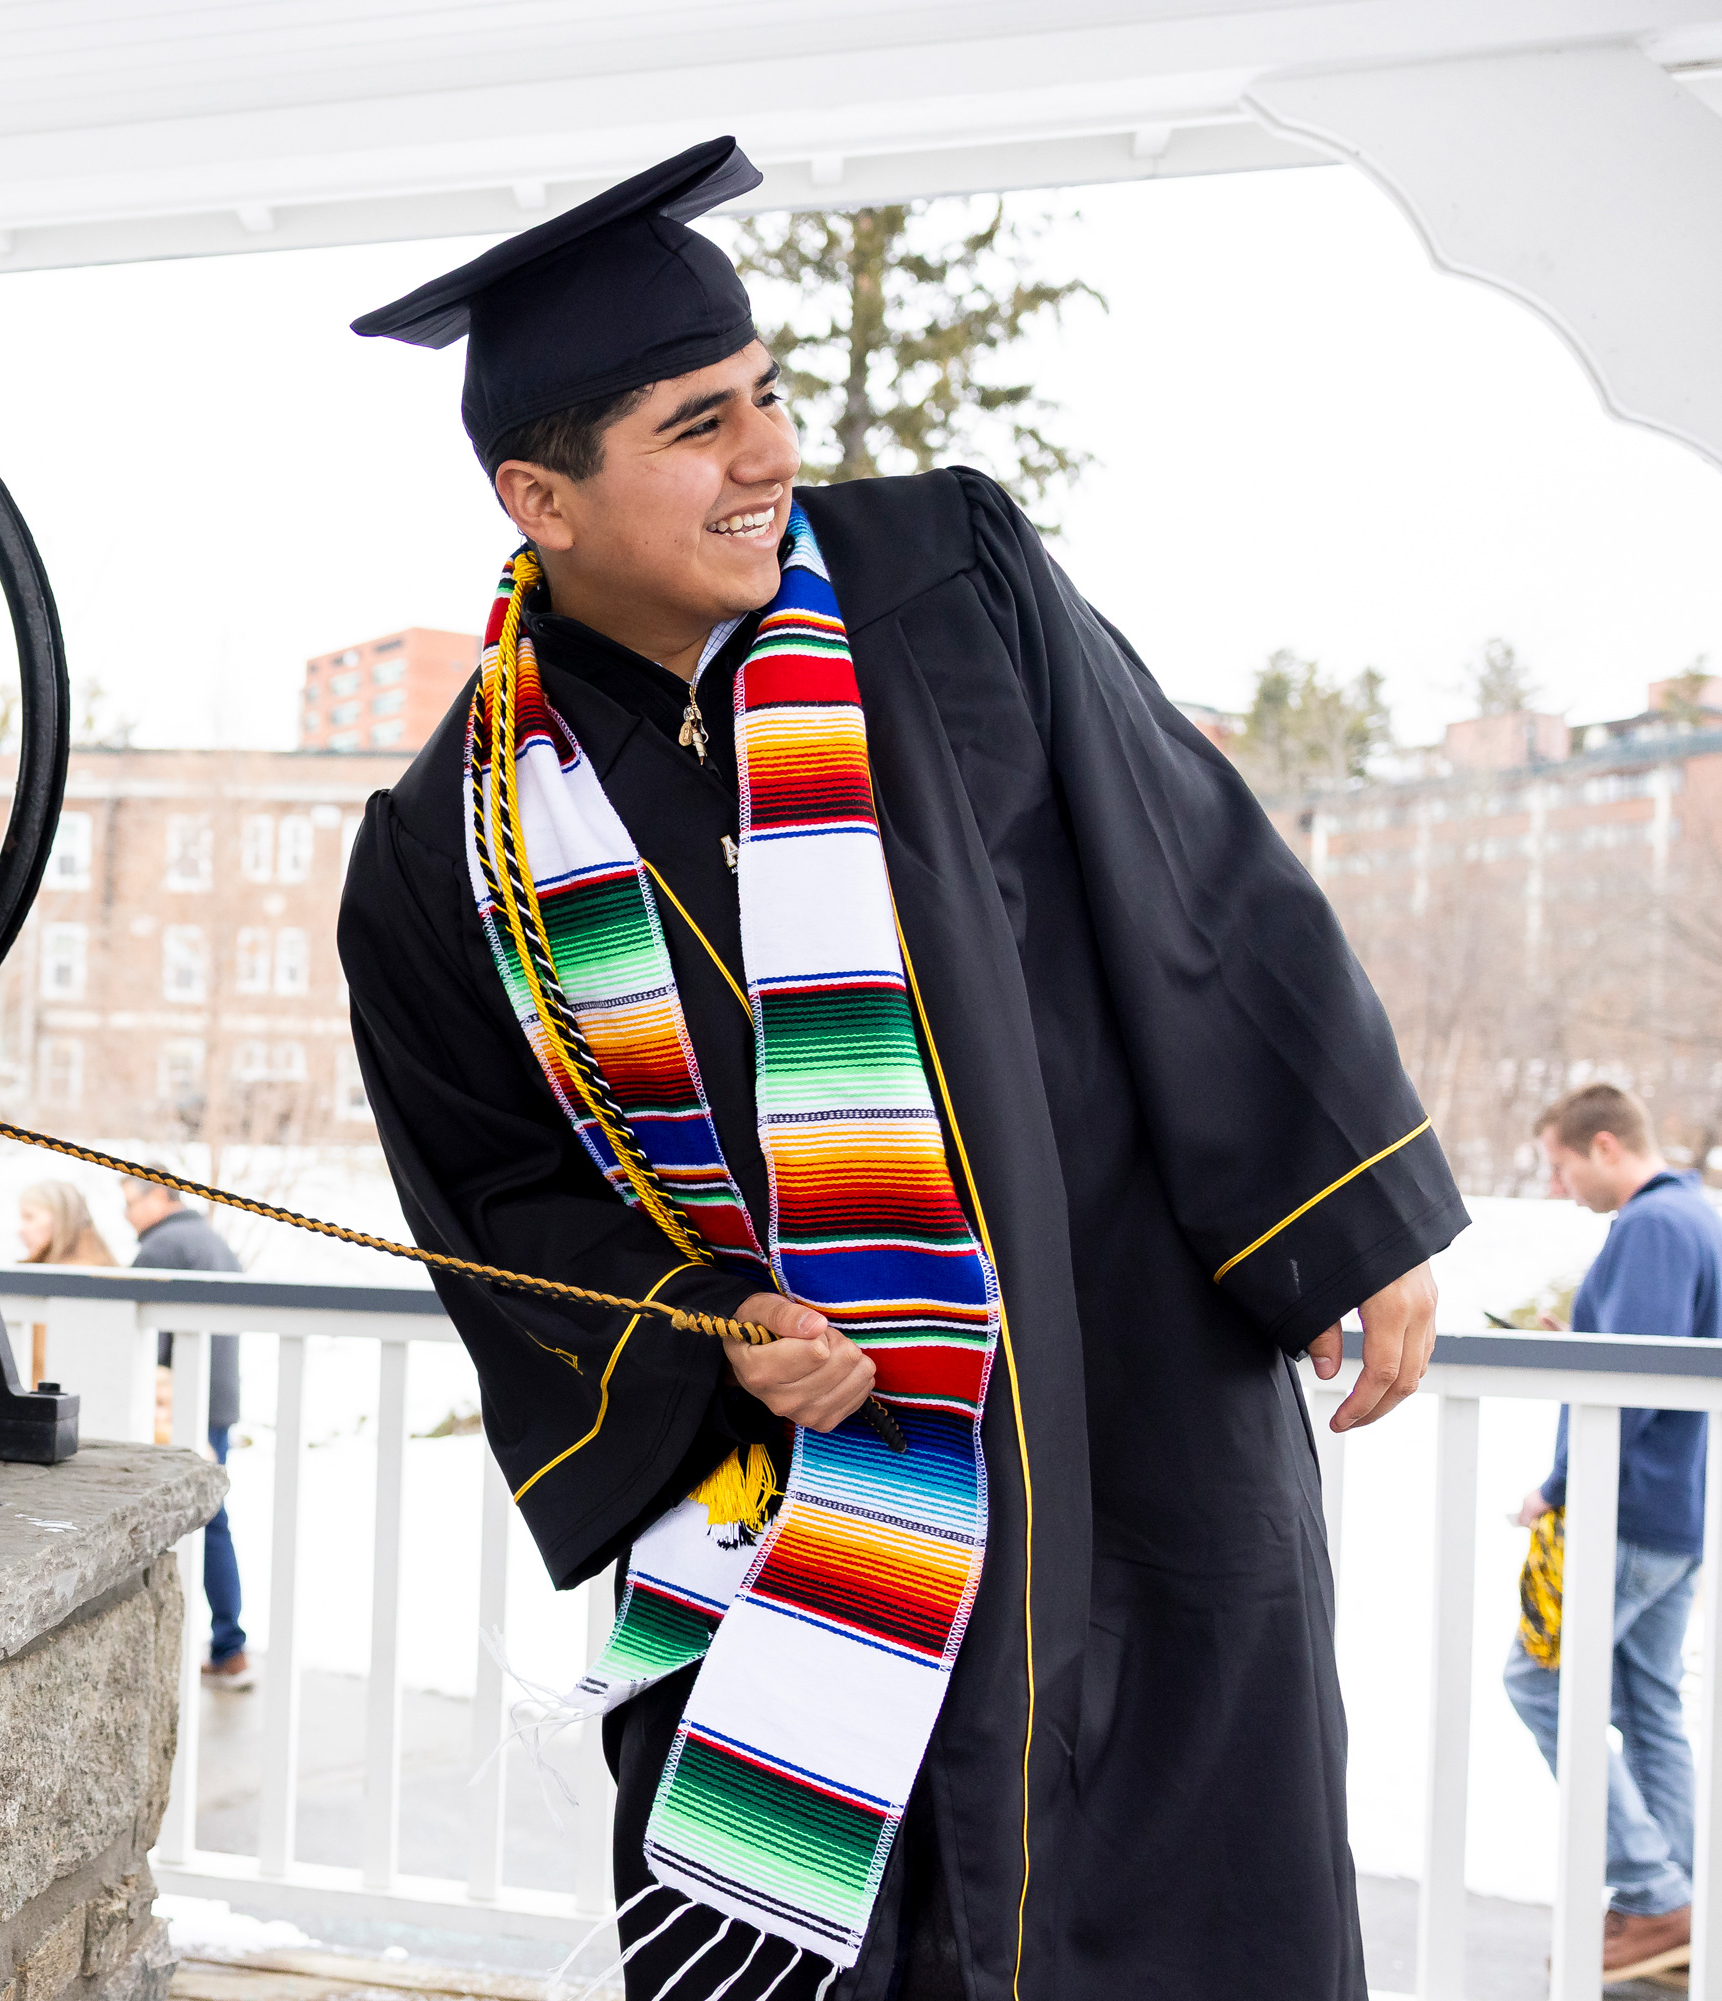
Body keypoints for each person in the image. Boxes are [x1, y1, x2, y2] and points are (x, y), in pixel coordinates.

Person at [335, 136, 1458, 1999]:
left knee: (1181, 1889)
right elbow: (497, 1192)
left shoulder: (942, 579)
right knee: (826, 1936)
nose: (769, 450)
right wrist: (702, 1322)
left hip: (1116, 1398)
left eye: (768, 393)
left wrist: (1348, 1205)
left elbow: (1185, 866)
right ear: (542, 497)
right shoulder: (458, 841)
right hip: (797, 1492)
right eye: (699, 423)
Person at [1505, 1084, 1722, 1986]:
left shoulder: (1653, 1225)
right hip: (1670, 1510)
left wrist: (1558, 1487)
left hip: (1625, 1511)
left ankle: (1652, 1893)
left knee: (1537, 1679)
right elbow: (1645, 1349)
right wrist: (1582, 1333)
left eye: (1560, 1166)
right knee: (1649, 1704)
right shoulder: (1695, 1216)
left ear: (1604, 1145)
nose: (1560, 1188)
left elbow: (1626, 1383)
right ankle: (1680, 1914)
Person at [124, 1176, 252, 1689]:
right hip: (218, 1401)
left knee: (153, 1519)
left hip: (173, 1405)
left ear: (160, 1195)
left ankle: (169, 1648)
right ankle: (229, 1644)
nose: (127, 1215)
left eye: (130, 1202)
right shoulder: (215, 1242)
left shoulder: (162, 1247)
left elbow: (136, 1335)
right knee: (215, 1519)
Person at [14, 1180, 117, 1389]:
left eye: (30, 1217)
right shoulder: (99, 1268)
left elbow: (44, 1362)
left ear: (60, 1218)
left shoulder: (71, 1279)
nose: (21, 1230)